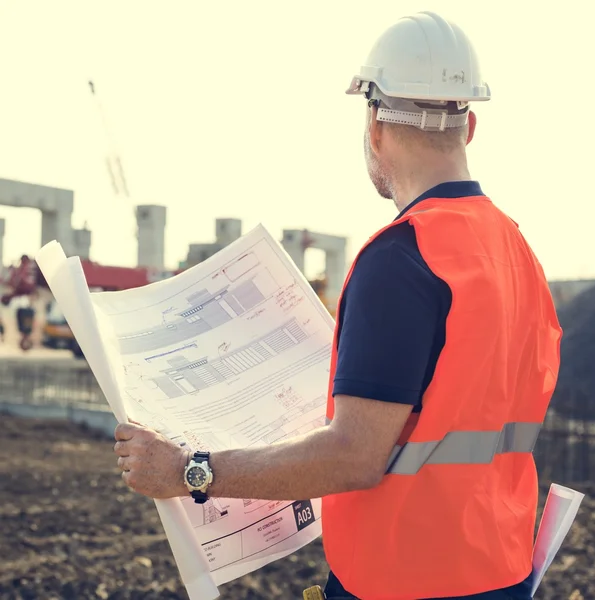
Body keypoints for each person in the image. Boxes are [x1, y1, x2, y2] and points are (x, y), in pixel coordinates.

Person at [114, 11, 562, 599]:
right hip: (500, 572)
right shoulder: (517, 250)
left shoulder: (402, 257)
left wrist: (190, 472)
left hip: (405, 582)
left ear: (375, 123)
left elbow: (355, 456)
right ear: (469, 124)